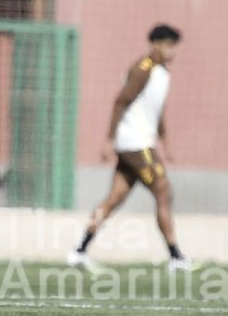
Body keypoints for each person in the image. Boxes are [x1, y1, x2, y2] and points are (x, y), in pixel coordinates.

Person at [67, 25, 194, 272]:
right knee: (163, 191)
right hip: (136, 144)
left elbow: (155, 109)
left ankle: (79, 252)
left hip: (136, 144)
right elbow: (120, 100)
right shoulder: (142, 70)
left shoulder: (161, 72)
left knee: (113, 199)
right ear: (155, 44)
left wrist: (164, 138)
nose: (173, 51)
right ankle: (176, 256)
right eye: (169, 45)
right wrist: (108, 139)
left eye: (175, 46)